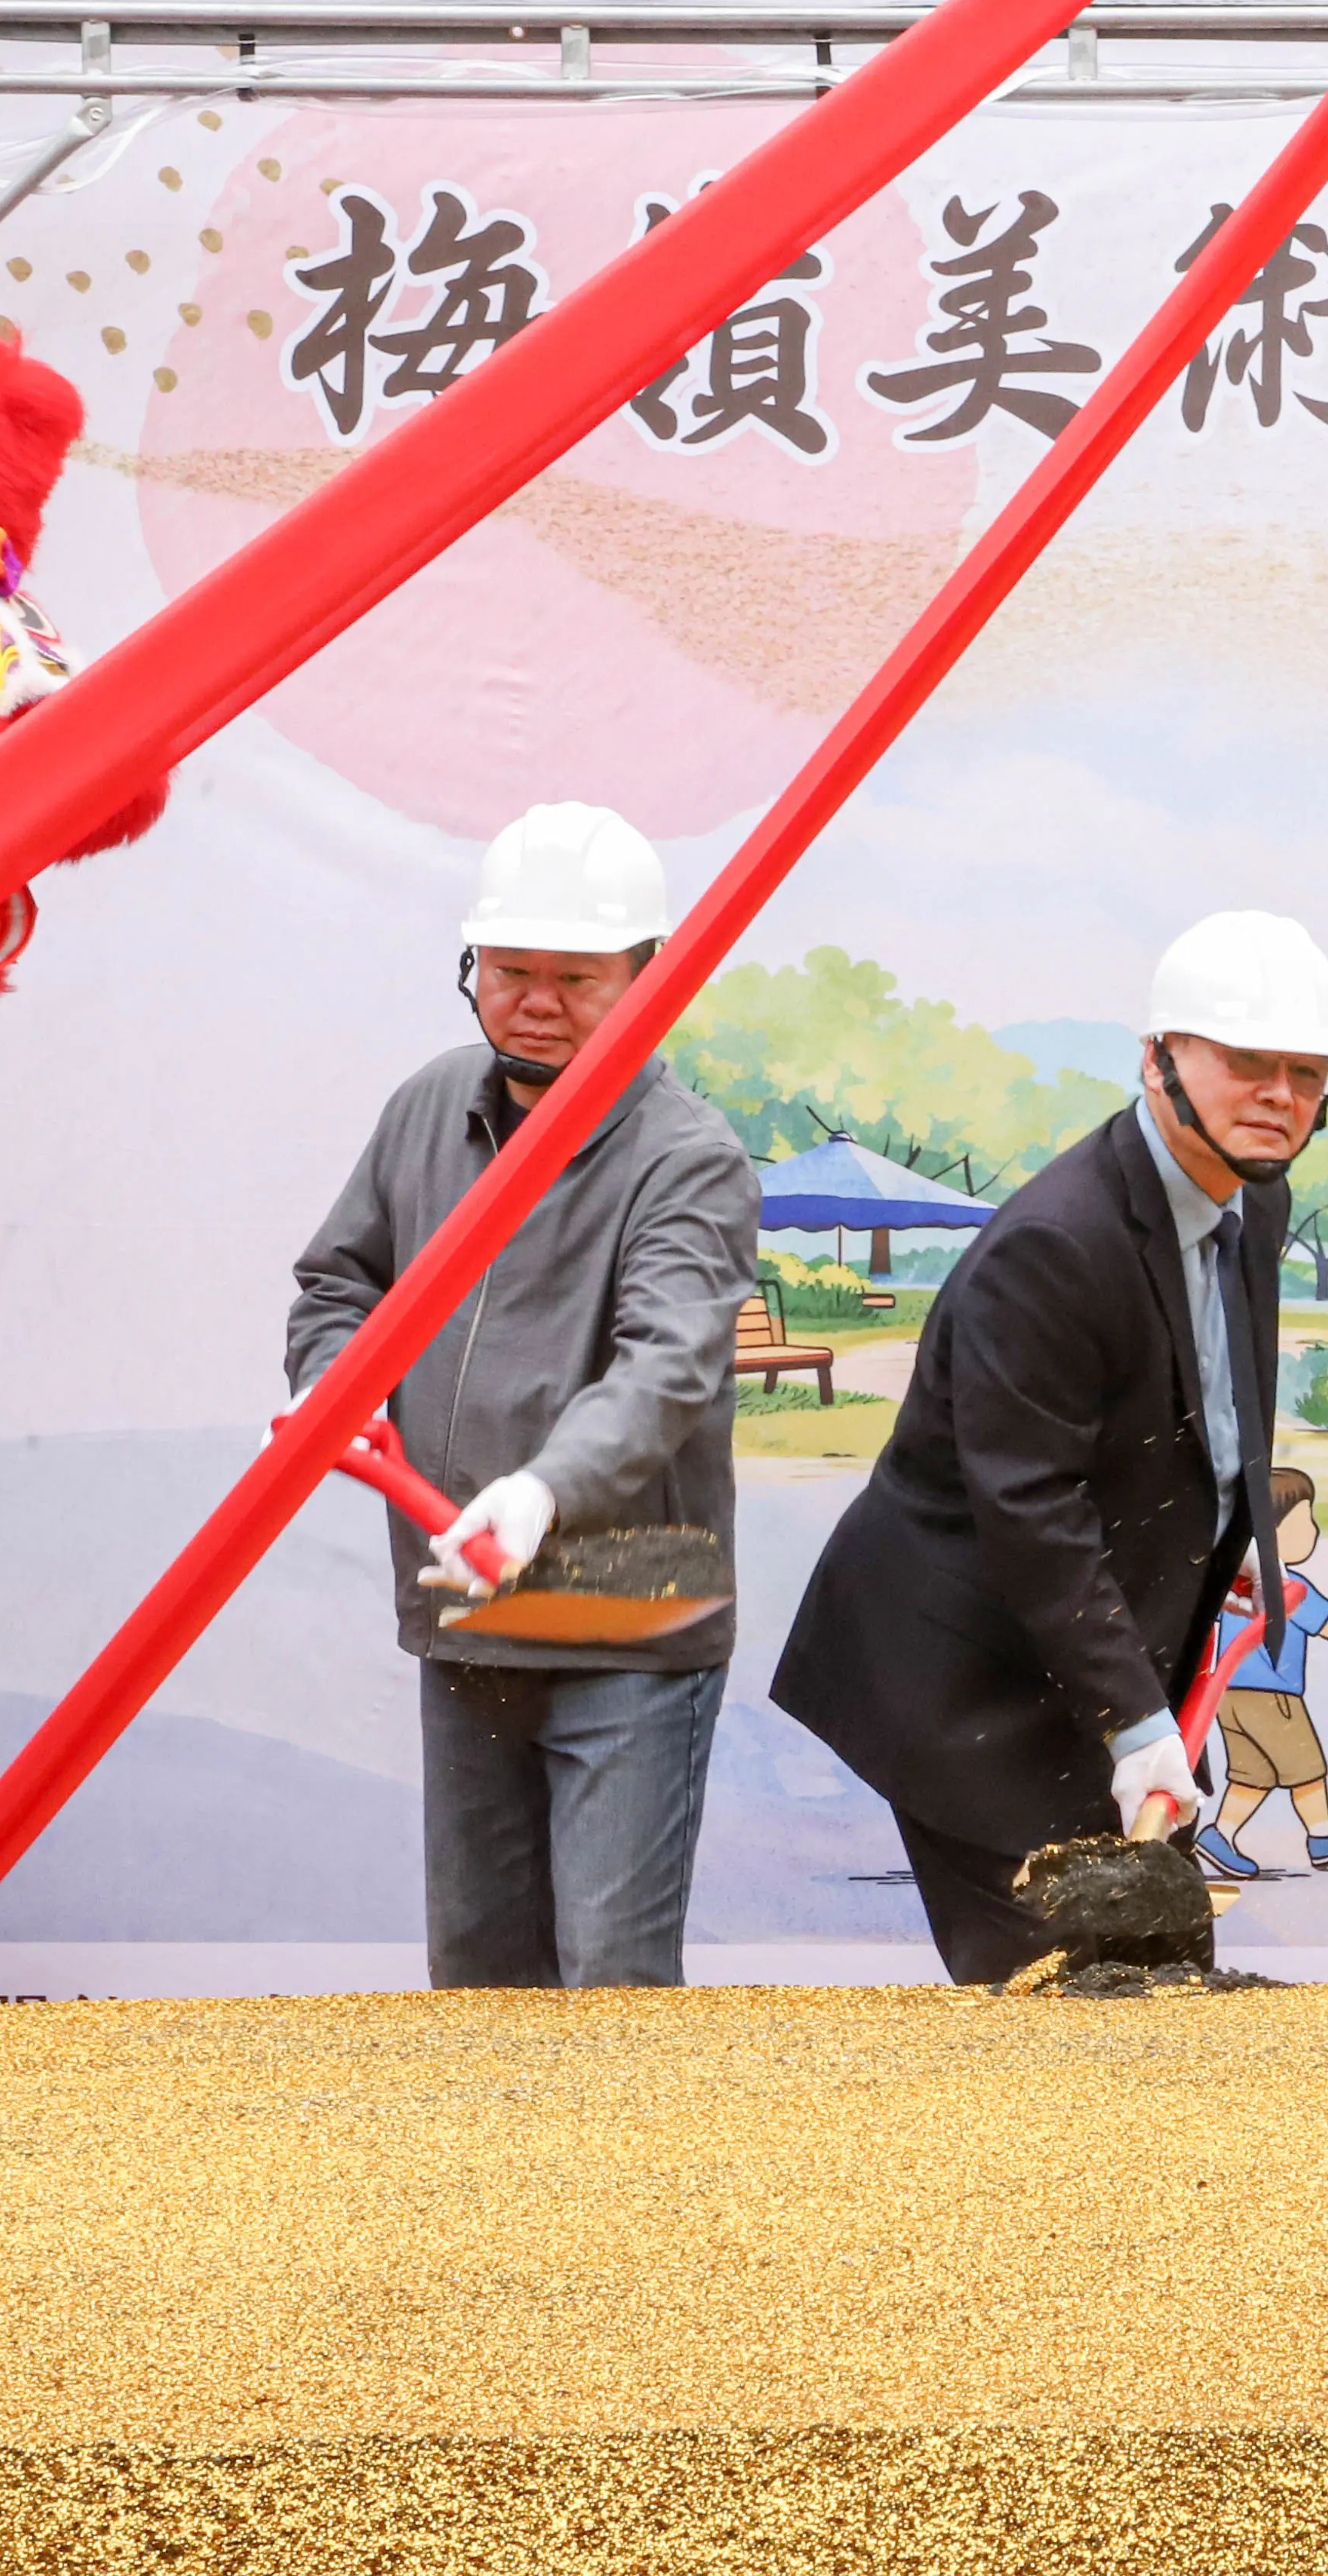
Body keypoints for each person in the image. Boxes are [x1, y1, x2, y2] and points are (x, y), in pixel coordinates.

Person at [770, 912, 1328, 1984]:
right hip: (971, 1686)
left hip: (1095, 1660)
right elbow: (1031, 1508)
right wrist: (1135, 1727)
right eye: (1247, 1062)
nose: (1280, 1093)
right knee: (1059, 2002)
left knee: (1163, 1979)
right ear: (1158, 1058)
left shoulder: (1254, 1202)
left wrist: (1212, 1560)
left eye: (1307, 1072)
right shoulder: (1055, 1244)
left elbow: (1203, 1416)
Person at [284, 802, 756, 1990]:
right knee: (479, 1977)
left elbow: (667, 1366)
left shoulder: (688, 1157)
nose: (536, 1003)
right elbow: (339, 1284)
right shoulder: (428, 1108)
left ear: (649, 979)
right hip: (469, 1606)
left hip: (629, 1622)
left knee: (610, 1982)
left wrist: (545, 1492)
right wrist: (334, 1384)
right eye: (509, 971)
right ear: (471, 966)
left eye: (577, 979)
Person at [1195, 1466, 1328, 1882]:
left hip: (1228, 1694)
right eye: (1305, 1521)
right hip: (1271, 1695)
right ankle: (1322, 1836)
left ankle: (1221, 1835)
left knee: (1254, 1774)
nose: (1314, 1532)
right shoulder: (1287, 1585)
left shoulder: (1233, 1582)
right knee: (1306, 1765)